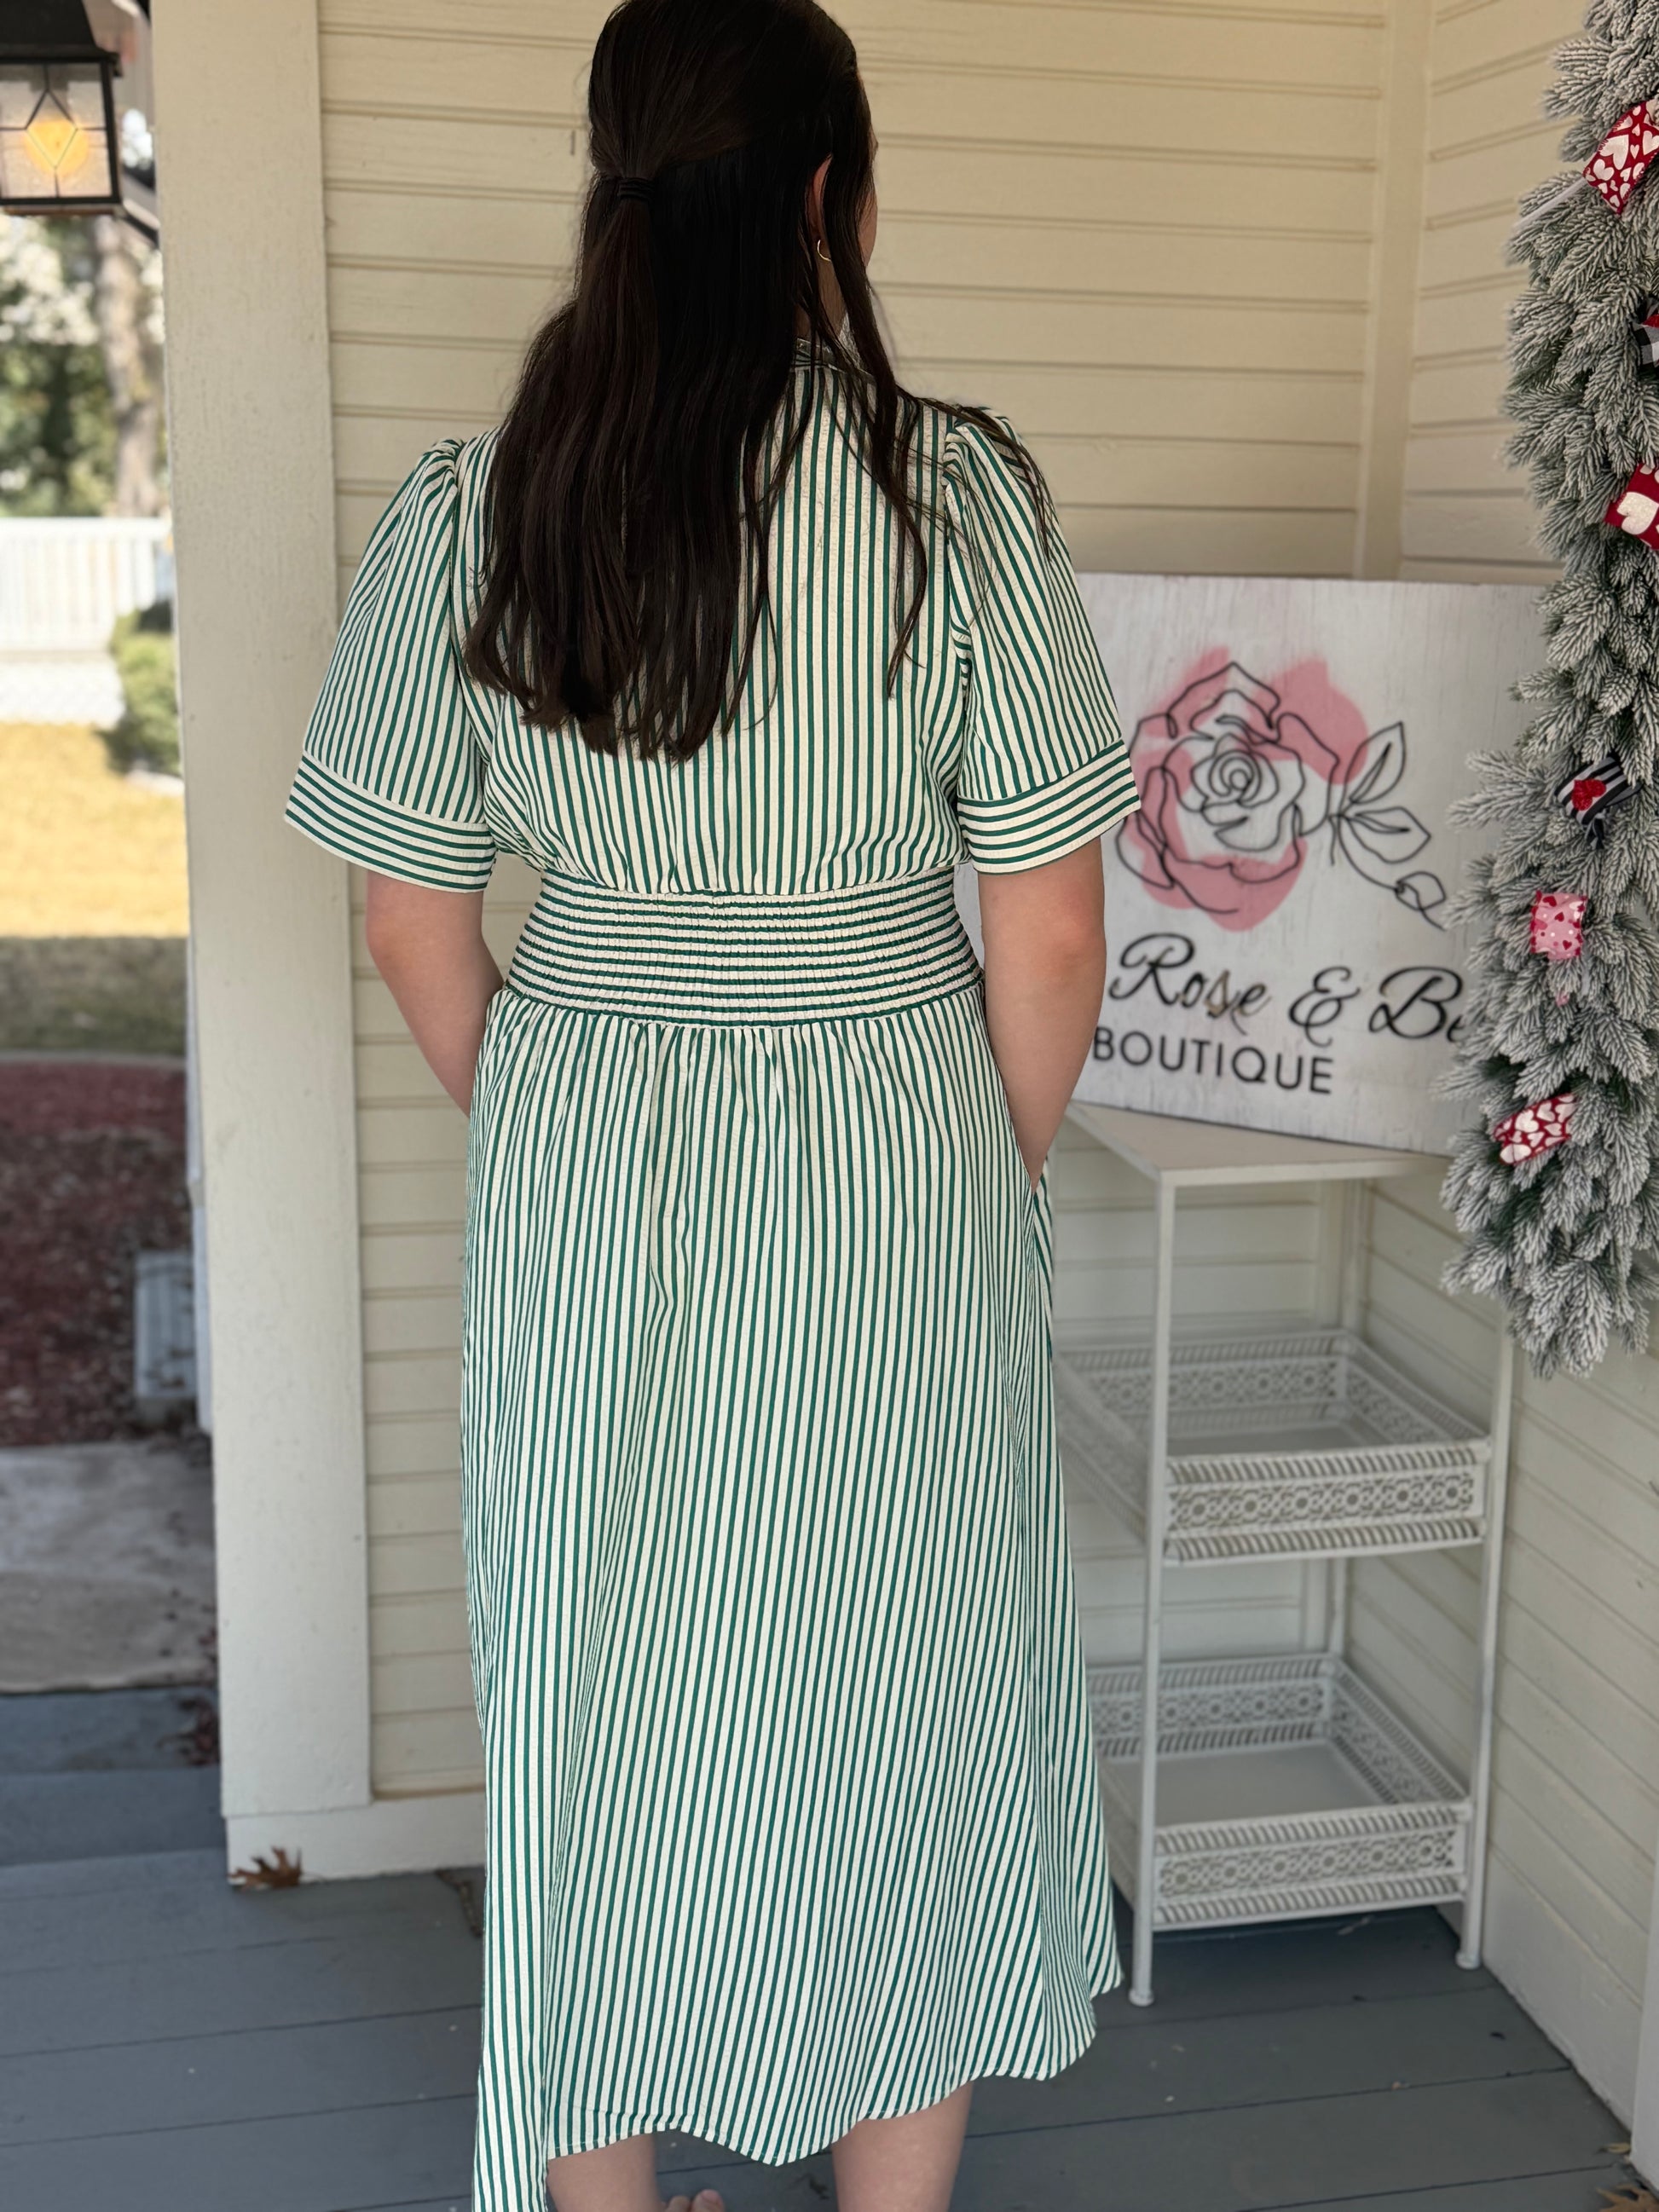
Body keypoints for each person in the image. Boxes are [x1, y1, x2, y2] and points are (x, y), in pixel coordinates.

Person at [284, 1, 1139, 2205]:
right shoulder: (951, 496)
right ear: (831, 196)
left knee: (596, 1693)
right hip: (895, 1134)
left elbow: (408, 912)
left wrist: (546, 1106)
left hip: (586, 1128)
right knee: (904, 1688)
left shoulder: (480, 505)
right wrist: (988, 1161)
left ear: (615, 194)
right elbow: (1048, 928)